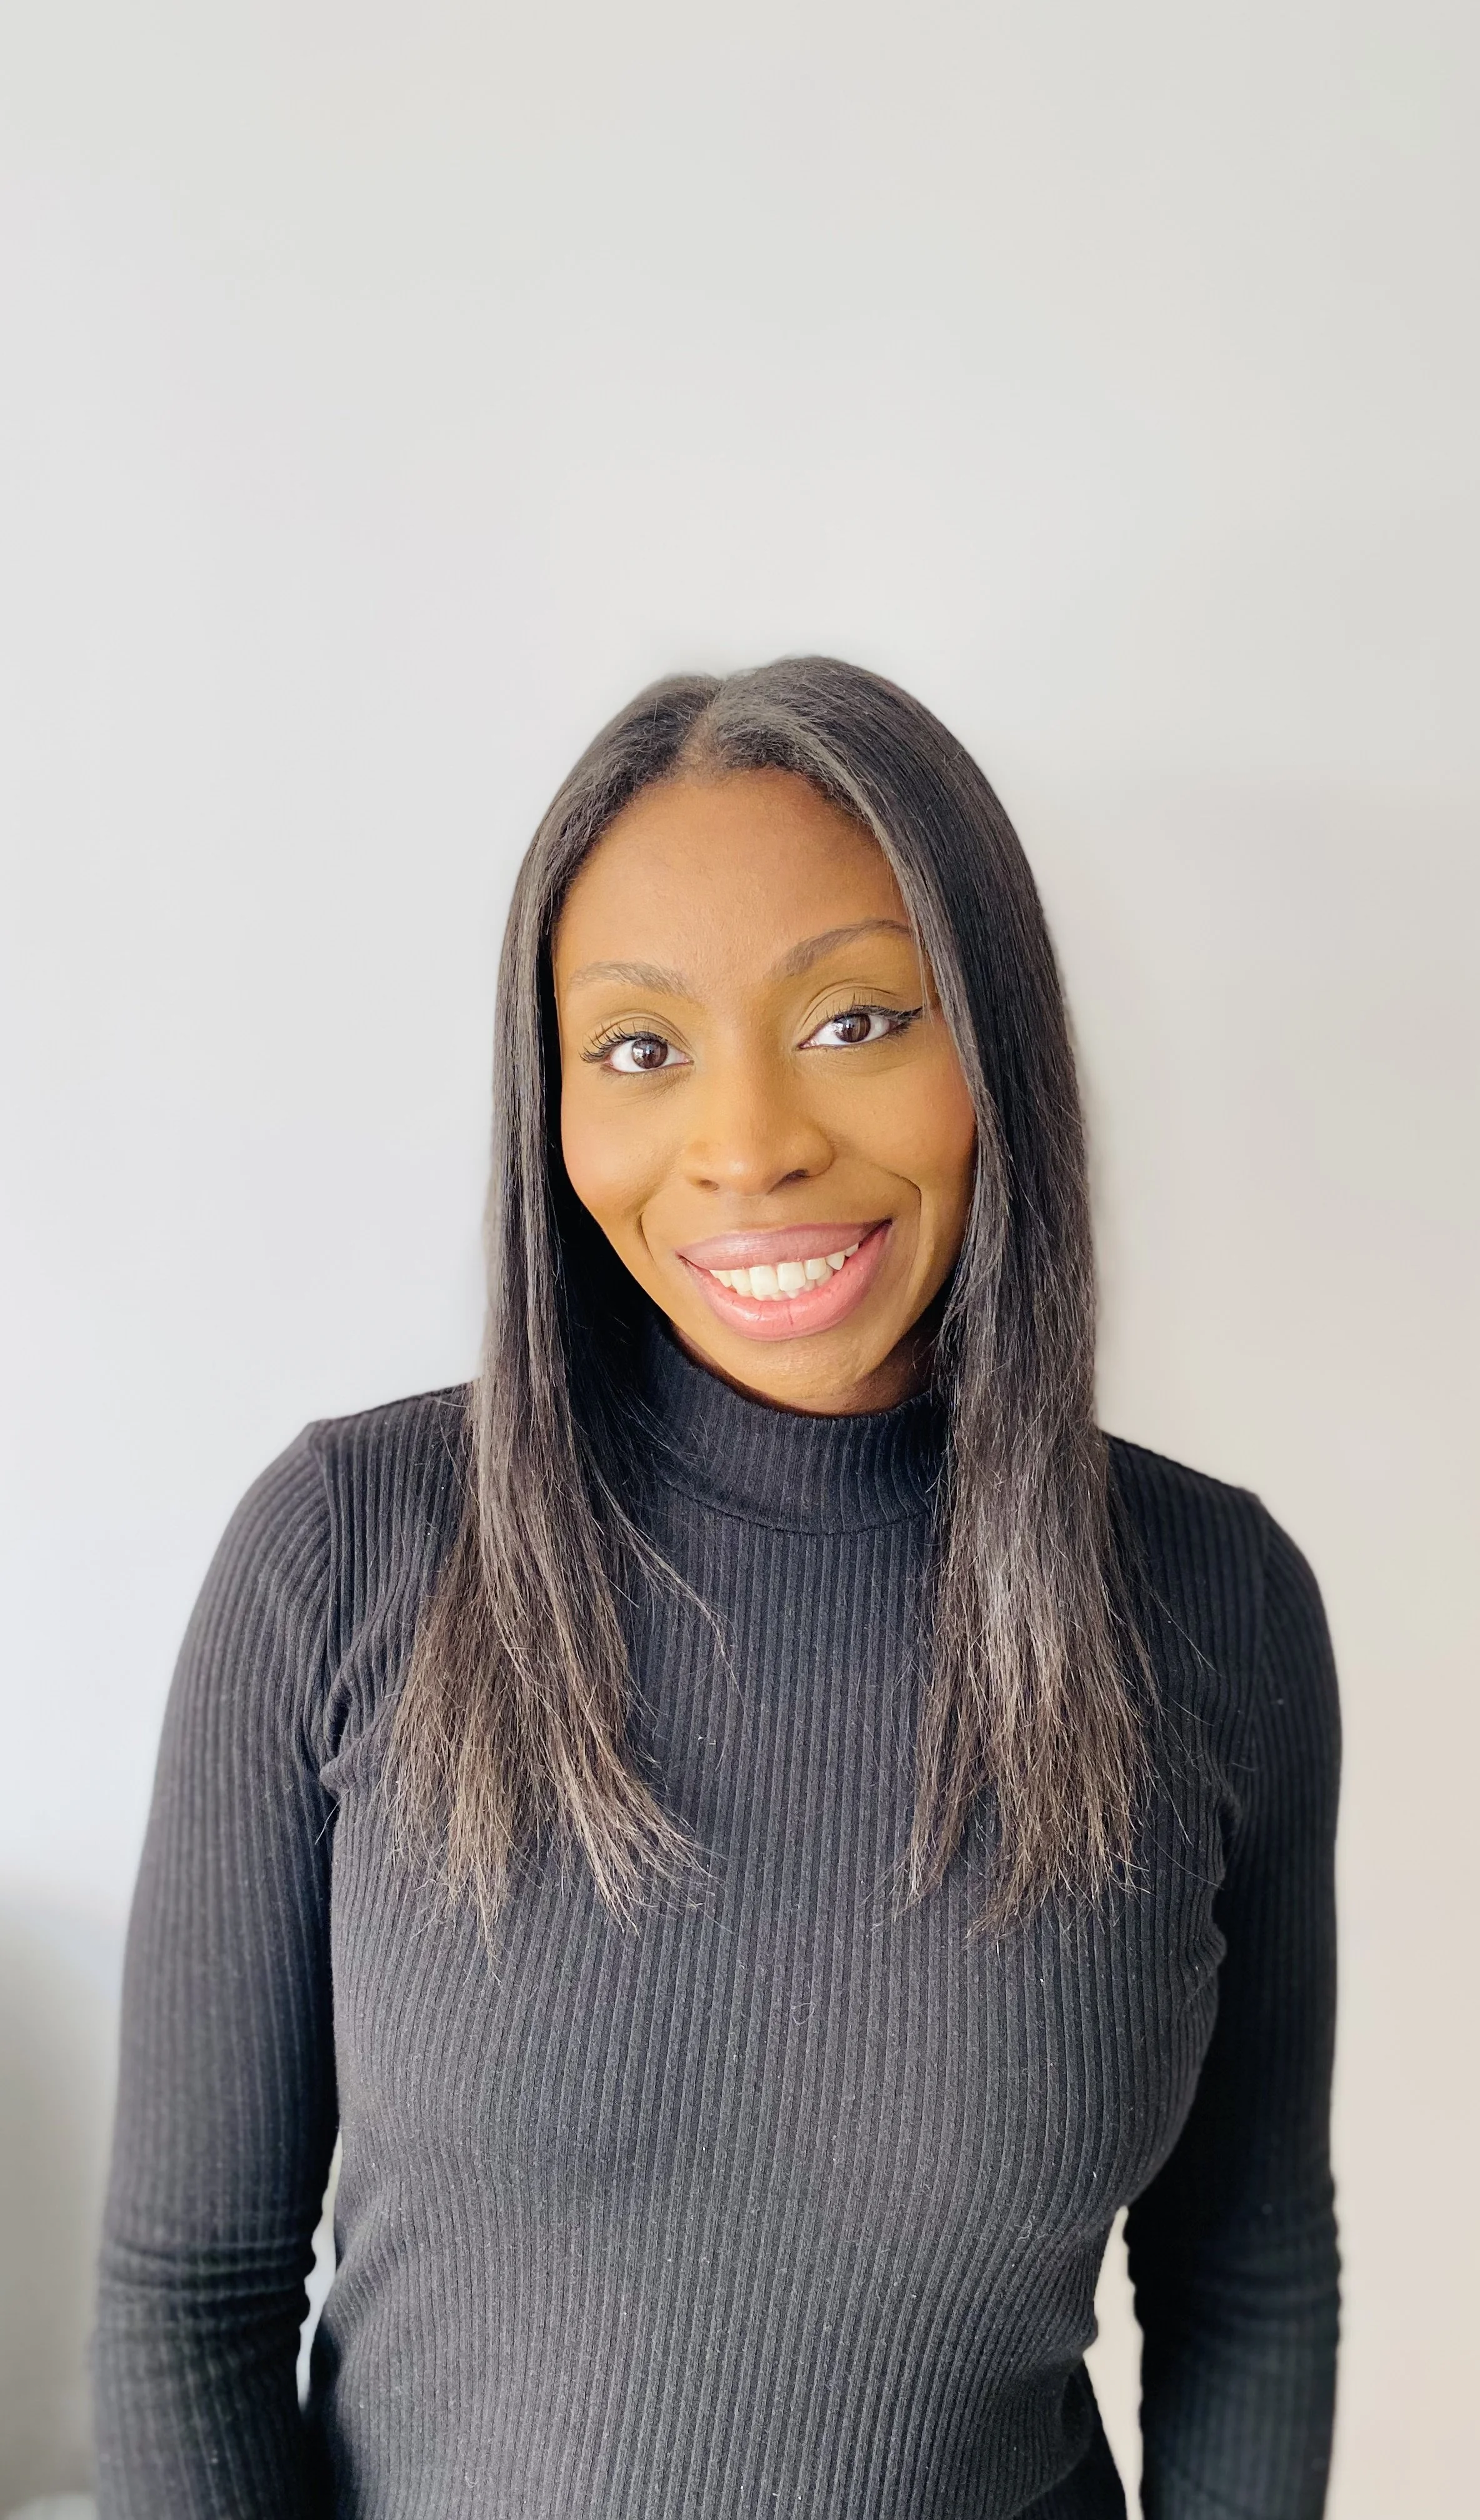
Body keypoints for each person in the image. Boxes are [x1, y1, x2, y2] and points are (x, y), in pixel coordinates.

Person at [92, 658, 1341, 2519]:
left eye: (855, 1020)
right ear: (552, 1100)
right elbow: (190, 2300)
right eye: (640, 1048)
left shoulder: (1212, 1602)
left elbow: (1246, 2279)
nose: (750, 1144)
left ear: (992, 1046)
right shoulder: (345, 1555)